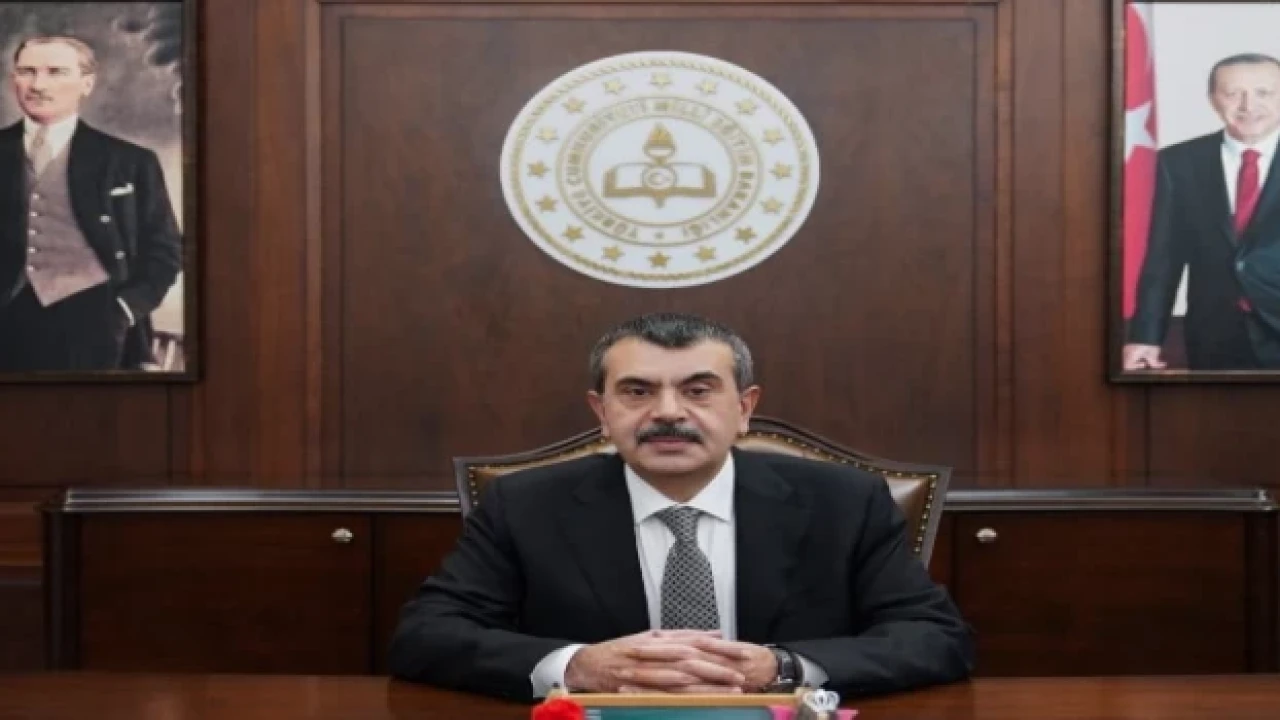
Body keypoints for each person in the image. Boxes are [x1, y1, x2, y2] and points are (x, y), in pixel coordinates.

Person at [389, 313, 973, 701]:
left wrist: (782, 668)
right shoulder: (526, 504)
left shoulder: (843, 502)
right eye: (637, 391)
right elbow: (426, 636)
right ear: (601, 412)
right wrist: (577, 666)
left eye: (698, 390)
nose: (668, 412)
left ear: (744, 408)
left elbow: (934, 637)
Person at [0, 35, 181, 372]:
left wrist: (125, 309)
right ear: (14, 80)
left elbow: (166, 251)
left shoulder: (131, 162)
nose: (38, 85)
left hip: (97, 324)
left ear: (87, 83)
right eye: (27, 71)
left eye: (55, 72)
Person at [1125, 53, 1280, 371]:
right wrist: (1146, 337)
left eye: (1263, 93)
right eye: (1233, 93)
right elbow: (1164, 258)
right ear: (1213, 100)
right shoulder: (1178, 163)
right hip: (1214, 336)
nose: (1248, 106)